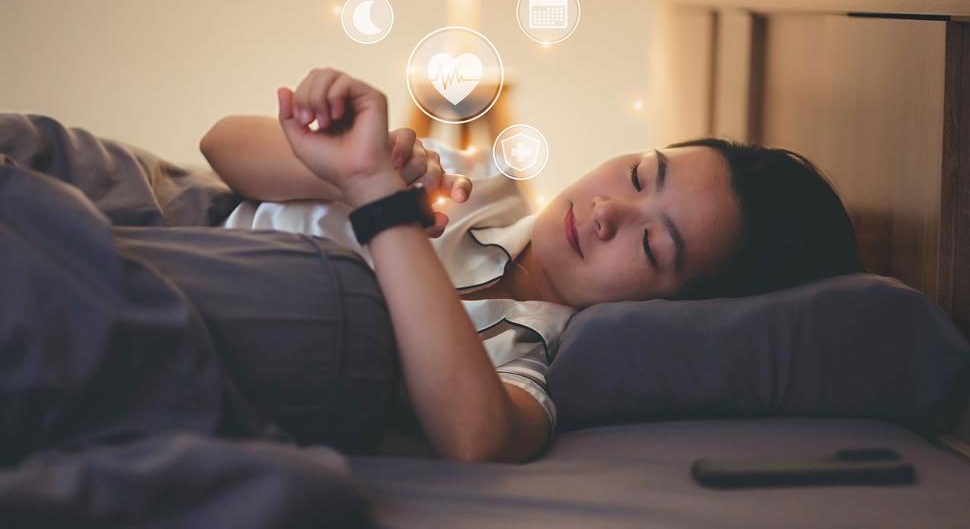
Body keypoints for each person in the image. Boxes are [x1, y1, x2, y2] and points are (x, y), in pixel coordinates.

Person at [200, 67, 866, 464]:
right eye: (638, 174)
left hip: (211, 305)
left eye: (652, 247)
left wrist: (379, 202)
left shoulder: (532, 358)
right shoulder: (473, 182)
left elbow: (476, 437)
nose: (606, 210)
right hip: (188, 220)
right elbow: (222, 144)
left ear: (674, 311)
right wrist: (342, 168)